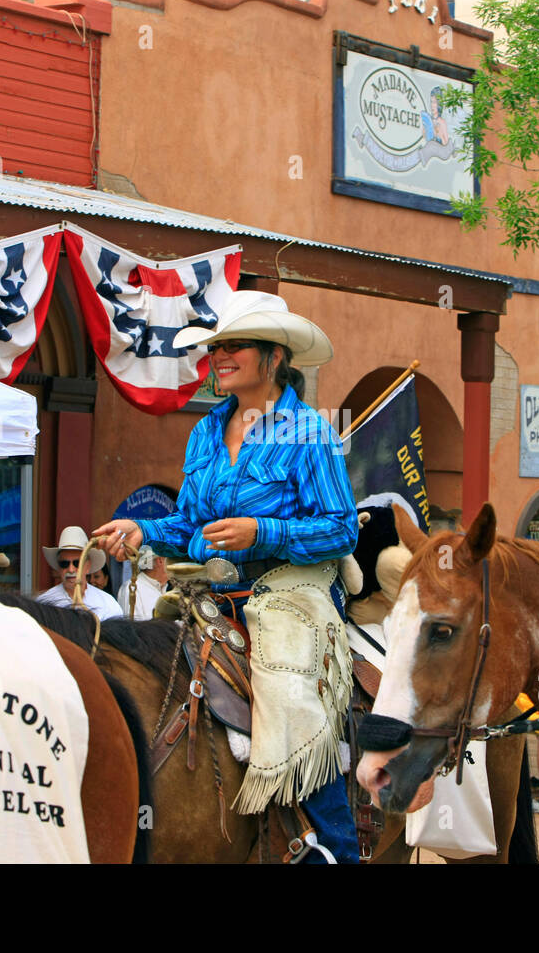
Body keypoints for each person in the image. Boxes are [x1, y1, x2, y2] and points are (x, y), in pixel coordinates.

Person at [94, 290, 359, 863]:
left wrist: (261, 533)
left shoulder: (308, 431)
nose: (219, 356)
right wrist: (143, 533)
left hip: (290, 594)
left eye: (233, 345)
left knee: (290, 701)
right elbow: (189, 521)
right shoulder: (205, 433)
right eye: (216, 347)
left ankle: (335, 849)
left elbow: (341, 528)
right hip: (211, 596)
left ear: (273, 356)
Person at [36, 525, 123, 621]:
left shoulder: (107, 603)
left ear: (88, 566)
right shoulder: (45, 603)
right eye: (64, 564)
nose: (71, 569)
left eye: (77, 563)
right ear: (58, 568)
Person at [127, 550, 168, 621]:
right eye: (173, 560)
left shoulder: (163, 587)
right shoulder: (134, 588)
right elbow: (134, 628)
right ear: (160, 561)